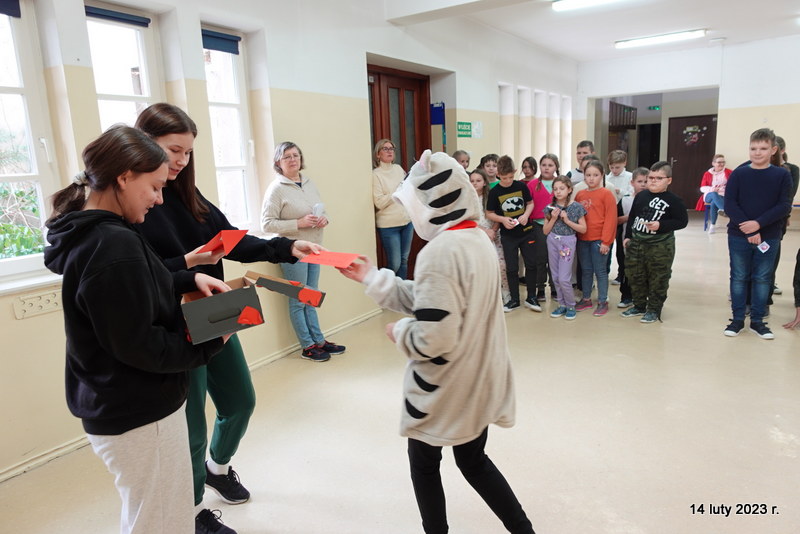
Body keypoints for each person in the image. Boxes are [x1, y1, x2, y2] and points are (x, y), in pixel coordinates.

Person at [134, 104, 322, 534]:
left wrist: (284, 247)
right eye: (173, 150)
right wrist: (188, 264)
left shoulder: (189, 194)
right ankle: (192, 509)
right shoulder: (136, 202)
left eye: (187, 152)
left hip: (214, 310)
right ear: (143, 145)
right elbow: (141, 274)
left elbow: (231, 240)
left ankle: (217, 469)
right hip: (174, 321)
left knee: (240, 402)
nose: (181, 161)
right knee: (191, 426)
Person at [337, 150, 536, 534]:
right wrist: (372, 278)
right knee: (474, 461)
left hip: (447, 388)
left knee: (424, 463)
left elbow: (435, 335)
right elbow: (436, 301)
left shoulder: (439, 253)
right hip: (479, 380)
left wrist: (401, 332)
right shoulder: (476, 239)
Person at [44, 125, 229, 534]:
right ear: (125, 177)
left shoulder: (96, 231)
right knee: (163, 522)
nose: (160, 198)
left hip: (117, 404)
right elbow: (141, 344)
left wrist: (187, 278)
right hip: (140, 411)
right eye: (155, 187)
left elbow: (134, 289)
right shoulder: (112, 245)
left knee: (149, 515)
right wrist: (212, 340)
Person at [262, 141, 347, 358]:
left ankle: (319, 341)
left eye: (296, 155)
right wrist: (298, 224)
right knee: (299, 300)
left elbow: (321, 209)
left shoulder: (309, 183)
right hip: (292, 251)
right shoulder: (276, 189)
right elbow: (267, 224)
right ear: (278, 162)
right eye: (287, 157)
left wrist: (324, 219)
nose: (292, 160)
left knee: (312, 296)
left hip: (314, 249)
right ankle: (307, 346)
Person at [723, 128, 792, 340]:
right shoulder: (739, 174)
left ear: (773, 150)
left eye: (763, 148)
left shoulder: (782, 175)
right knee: (739, 276)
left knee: (762, 278)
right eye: (753, 148)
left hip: (769, 235)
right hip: (739, 234)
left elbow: (783, 206)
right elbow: (730, 203)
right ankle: (737, 320)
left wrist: (758, 224)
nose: (757, 152)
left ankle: (757, 321)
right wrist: (747, 227)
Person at [620, 162, 688, 323]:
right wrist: (628, 236)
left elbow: (682, 221)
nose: (653, 181)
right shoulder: (641, 196)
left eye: (659, 178)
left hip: (660, 245)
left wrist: (661, 225)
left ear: (668, 180)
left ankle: (654, 309)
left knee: (658, 278)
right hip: (637, 243)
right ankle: (639, 305)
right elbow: (633, 217)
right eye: (651, 178)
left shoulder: (674, 200)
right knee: (636, 276)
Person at [486, 155, 537, 312]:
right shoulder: (494, 192)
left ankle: (532, 297)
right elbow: (489, 213)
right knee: (512, 268)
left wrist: (526, 215)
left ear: (514, 172)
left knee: (531, 264)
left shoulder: (521, 186)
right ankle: (514, 299)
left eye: (510, 177)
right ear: (498, 175)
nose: (508, 181)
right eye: (504, 178)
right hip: (508, 236)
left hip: (526, 232)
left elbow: (530, 203)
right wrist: (502, 219)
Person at [574, 160, 617, 316]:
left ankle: (602, 301)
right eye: (588, 175)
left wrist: (606, 241)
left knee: (600, 271)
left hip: (599, 240)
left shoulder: (606, 194)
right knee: (586, 270)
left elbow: (611, 219)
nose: (591, 178)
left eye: (595, 175)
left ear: (602, 175)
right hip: (582, 239)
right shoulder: (580, 194)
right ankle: (586, 299)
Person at [542, 175, 586, 320]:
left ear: (569, 189)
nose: (558, 192)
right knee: (555, 276)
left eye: (562, 188)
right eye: (555, 189)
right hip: (552, 240)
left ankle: (571, 305)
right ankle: (561, 304)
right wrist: (554, 218)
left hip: (567, 243)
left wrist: (567, 220)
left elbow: (583, 229)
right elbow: (545, 231)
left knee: (563, 278)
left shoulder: (576, 207)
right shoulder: (550, 208)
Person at [373, 138, 414, 279]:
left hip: (407, 222)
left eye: (391, 148)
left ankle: (400, 289)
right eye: (385, 149)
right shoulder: (376, 174)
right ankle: (385, 286)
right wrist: (397, 191)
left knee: (404, 261)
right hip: (389, 226)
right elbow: (379, 202)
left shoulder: (398, 169)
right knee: (395, 264)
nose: (389, 151)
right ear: (378, 154)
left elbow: (407, 190)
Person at [470, 168, 510, 303]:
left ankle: (505, 292)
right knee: (481, 267)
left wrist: (492, 231)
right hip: (476, 236)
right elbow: (468, 220)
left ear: (484, 182)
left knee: (501, 264)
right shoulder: (468, 200)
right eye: (472, 181)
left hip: (494, 234)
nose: (475, 183)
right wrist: (485, 231)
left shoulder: (491, 196)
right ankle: (488, 295)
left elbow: (498, 216)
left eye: (478, 180)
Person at [616, 168, 649, 308]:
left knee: (645, 269)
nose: (643, 184)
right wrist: (630, 217)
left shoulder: (653, 200)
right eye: (640, 181)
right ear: (632, 182)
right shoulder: (625, 200)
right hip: (626, 239)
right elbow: (616, 220)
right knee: (626, 268)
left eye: (646, 181)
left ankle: (644, 297)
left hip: (646, 242)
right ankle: (626, 296)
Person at [526, 158, 556, 306]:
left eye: (550, 165)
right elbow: (528, 205)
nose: (546, 168)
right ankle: (541, 288)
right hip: (538, 226)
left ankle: (555, 287)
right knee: (541, 257)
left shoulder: (560, 183)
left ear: (556, 167)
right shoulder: (532, 184)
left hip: (557, 226)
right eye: (544, 165)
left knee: (555, 258)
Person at [695, 154, 731, 234]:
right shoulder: (707, 173)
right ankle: (724, 209)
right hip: (709, 195)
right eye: (719, 162)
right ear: (713, 163)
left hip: (723, 195)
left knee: (714, 203)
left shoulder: (728, 172)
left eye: (723, 162)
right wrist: (712, 189)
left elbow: (734, 185)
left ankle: (712, 226)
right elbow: (702, 188)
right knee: (714, 194)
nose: (722, 164)